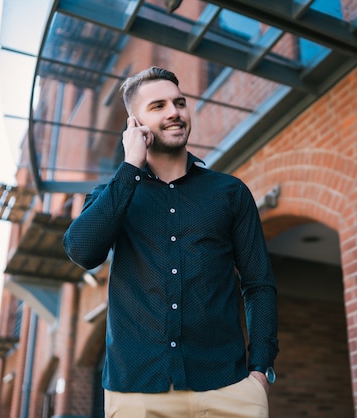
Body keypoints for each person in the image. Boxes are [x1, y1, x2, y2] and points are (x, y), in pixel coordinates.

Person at [63, 66, 279, 418]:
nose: (174, 112)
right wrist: (130, 166)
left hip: (229, 388)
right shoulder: (113, 196)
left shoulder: (229, 193)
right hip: (138, 394)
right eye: (158, 106)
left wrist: (261, 368)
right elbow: (82, 251)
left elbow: (258, 284)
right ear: (135, 124)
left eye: (179, 102)